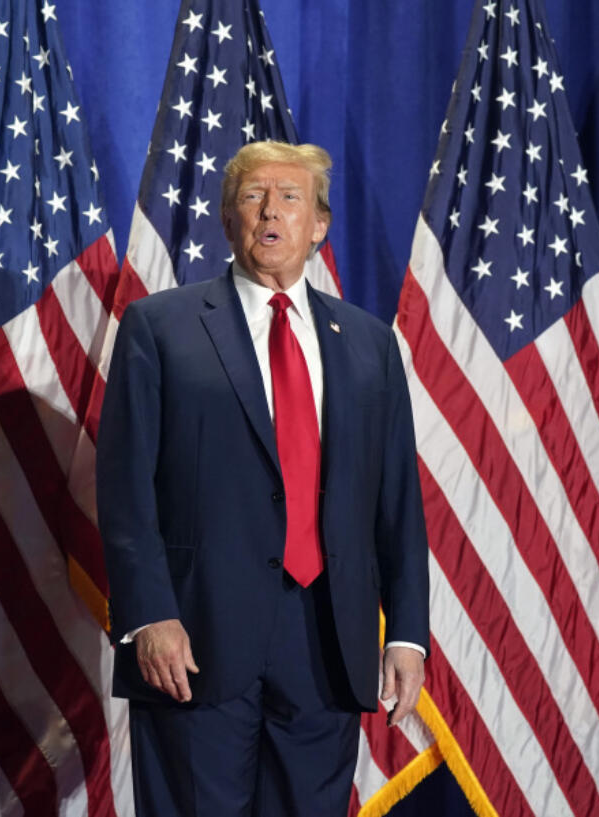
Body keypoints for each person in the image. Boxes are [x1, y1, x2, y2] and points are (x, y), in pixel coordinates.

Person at [97, 141, 429, 816]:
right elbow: (124, 486)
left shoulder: (368, 344)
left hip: (328, 645)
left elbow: (397, 499)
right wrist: (149, 613)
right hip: (194, 640)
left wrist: (407, 632)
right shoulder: (160, 327)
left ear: (319, 225)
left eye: (289, 197)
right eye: (252, 197)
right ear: (227, 220)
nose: (270, 211)